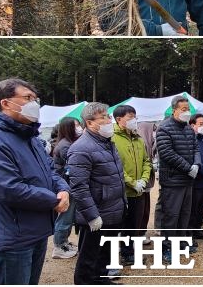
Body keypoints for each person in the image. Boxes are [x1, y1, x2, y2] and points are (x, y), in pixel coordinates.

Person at [0, 79, 70, 285]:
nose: (34, 103)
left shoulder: (29, 134)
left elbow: (50, 170)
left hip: (36, 228)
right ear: (5, 103)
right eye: (27, 98)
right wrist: (53, 200)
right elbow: (8, 188)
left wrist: (63, 189)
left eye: (35, 98)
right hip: (12, 233)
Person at [67, 102, 126, 285]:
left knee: (105, 253)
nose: (109, 120)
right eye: (104, 117)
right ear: (90, 123)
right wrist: (92, 216)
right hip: (96, 214)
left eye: (108, 116)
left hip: (112, 209)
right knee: (89, 257)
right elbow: (79, 187)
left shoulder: (107, 143)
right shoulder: (81, 148)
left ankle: (101, 280)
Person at [156, 95, 200, 261]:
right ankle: (166, 247)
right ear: (174, 110)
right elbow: (167, 153)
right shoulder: (164, 128)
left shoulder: (188, 129)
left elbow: (196, 148)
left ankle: (181, 243)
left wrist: (196, 164)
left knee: (184, 214)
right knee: (171, 215)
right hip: (173, 180)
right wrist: (188, 168)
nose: (186, 112)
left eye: (188, 109)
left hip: (188, 179)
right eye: (183, 109)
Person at [112, 105, 152, 265]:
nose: (133, 121)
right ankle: (112, 256)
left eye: (135, 117)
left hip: (139, 190)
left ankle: (128, 252)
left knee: (134, 223)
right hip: (122, 191)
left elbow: (146, 161)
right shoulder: (112, 138)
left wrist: (143, 179)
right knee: (118, 225)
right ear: (118, 119)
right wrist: (131, 182)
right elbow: (115, 166)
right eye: (130, 118)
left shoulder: (138, 138)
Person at [51, 117, 82, 259]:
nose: (78, 128)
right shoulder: (65, 145)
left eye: (78, 125)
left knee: (69, 217)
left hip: (69, 184)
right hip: (66, 185)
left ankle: (64, 242)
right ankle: (58, 247)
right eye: (75, 126)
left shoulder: (70, 143)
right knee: (65, 217)